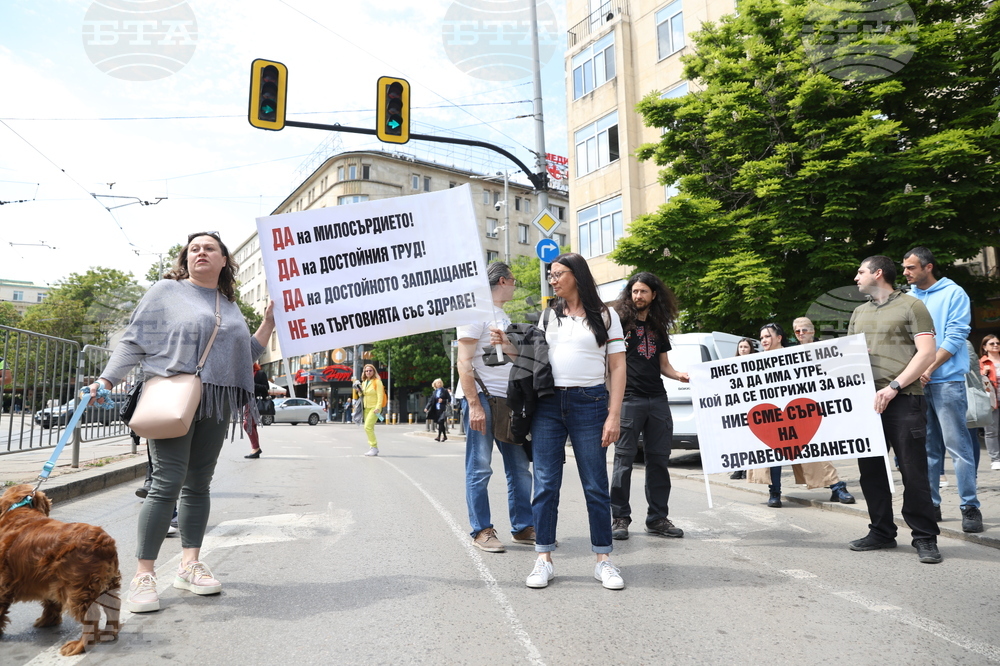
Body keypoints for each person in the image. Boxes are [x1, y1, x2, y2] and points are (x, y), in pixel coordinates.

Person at [89, 231, 275, 612]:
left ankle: (190, 565)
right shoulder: (166, 292)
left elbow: (242, 357)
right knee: (167, 482)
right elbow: (133, 341)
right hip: (172, 395)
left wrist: (269, 324)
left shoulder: (229, 303)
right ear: (185, 259)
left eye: (209, 248)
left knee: (199, 484)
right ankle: (144, 574)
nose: (201, 253)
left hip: (216, 401)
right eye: (194, 249)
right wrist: (107, 378)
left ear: (224, 260)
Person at [493, 252, 626, 590]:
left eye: (557, 274)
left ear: (576, 275)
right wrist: (505, 344)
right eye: (550, 274)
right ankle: (543, 559)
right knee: (546, 484)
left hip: (591, 403)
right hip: (549, 405)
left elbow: (618, 368)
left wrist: (614, 414)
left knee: (595, 484)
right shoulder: (548, 316)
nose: (552, 279)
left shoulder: (606, 316)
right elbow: (530, 360)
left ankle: (603, 560)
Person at [848, 255, 941, 563]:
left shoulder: (912, 306)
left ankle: (925, 537)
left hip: (904, 400)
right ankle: (882, 532)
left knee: (913, 471)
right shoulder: (858, 312)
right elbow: (848, 358)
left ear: (877, 273)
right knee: (871, 472)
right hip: (868, 404)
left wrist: (894, 387)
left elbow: (926, 353)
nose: (856, 277)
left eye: (861, 272)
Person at [902, 247, 983, 532]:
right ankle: (932, 504)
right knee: (927, 449)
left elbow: (956, 335)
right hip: (918, 385)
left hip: (947, 381)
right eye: (904, 268)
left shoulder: (954, 293)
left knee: (958, 446)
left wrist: (928, 368)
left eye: (911, 268)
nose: (905, 273)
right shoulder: (909, 299)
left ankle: (970, 506)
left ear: (928, 267)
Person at [457, 261, 534, 553]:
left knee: (520, 469)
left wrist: (510, 345)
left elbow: (511, 357)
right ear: (503, 281)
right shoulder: (473, 313)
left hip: (508, 402)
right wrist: (474, 404)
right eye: (513, 280)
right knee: (479, 468)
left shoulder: (500, 315)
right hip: (483, 400)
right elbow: (463, 362)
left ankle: (523, 527)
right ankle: (481, 530)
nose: (515, 285)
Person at [609, 272, 689, 541]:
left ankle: (657, 518)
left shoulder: (658, 326)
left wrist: (680, 375)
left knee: (658, 461)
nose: (638, 296)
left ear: (654, 295)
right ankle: (619, 517)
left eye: (643, 292)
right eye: (634, 291)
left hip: (657, 399)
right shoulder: (618, 324)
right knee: (623, 461)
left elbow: (664, 366)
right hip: (629, 399)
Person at [747, 323, 855, 507]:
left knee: (813, 451)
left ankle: (837, 487)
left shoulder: (795, 356)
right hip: (771, 416)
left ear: (779, 337)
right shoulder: (755, 361)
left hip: (797, 414)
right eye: (762, 337)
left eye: (767, 336)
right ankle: (775, 493)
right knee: (773, 454)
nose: (764, 340)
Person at [730, 338, 757, 479]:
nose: (743, 349)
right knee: (738, 440)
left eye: (746, 347)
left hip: (752, 408)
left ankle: (749, 468)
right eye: (740, 346)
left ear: (750, 349)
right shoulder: (731, 365)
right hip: (738, 408)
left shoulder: (755, 365)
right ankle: (739, 468)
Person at [980, 334, 1000, 471]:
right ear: (984, 347)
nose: (995, 345)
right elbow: (974, 381)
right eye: (992, 343)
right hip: (991, 398)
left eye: (997, 343)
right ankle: (995, 459)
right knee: (991, 431)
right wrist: (983, 373)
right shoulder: (981, 363)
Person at [356, 364, 385, 456]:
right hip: (366, 407)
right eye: (366, 371)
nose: (368, 372)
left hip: (374, 408)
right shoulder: (364, 382)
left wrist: (378, 407)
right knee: (370, 428)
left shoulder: (377, 382)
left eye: (370, 370)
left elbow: (380, 395)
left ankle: (374, 447)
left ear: (374, 371)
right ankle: (372, 448)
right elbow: (362, 395)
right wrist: (359, 390)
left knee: (367, 427)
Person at [244, 363, 268, 459]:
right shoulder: (244, 374)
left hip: (256, 403)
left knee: (247, 424)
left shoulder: (260, 374)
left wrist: (252, 385)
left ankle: (256, 448)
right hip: (246, 403)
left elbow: (266, 388)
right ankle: (255, 450)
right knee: (252, 425)